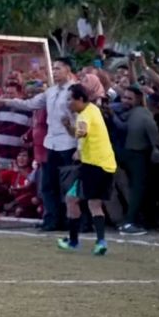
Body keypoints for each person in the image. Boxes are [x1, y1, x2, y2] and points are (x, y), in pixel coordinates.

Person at [0, 57, 78, 232]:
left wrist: (79, 145)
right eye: (53, 69)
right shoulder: (51, 91)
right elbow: (29, 104)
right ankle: (51, 220)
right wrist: (5, 101)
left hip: (69, 144)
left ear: (68, 70)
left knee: (68, 186)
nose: (54, 72)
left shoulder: (75, 90)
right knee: (48, 185)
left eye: (58, 68)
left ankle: (71, 221)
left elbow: (81, 118)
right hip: (52, 144)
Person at [58, 84, 115, 255]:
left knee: (77, 200)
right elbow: (87, 136)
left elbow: (81, 132)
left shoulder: (84, 115)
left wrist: (69, 126)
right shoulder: (94, 110)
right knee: (86, 201)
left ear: (80, 99)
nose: (68, 103)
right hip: (106, 164)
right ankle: (99, 242)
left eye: (70, 99)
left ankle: (75, 241)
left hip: (93, 165)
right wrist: (79, 149)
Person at [114, 86, 159, 235]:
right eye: (124, 97)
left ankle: (132, 220)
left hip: (138, 155)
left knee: (137, 189)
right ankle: (130, 220)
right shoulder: (123, 112)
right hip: (126, 155)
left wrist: (158, 149)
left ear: (138, 100)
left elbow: (155, 137)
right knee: (134, 189)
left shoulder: (142, 114)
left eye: (129, 98)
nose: (125, 100)